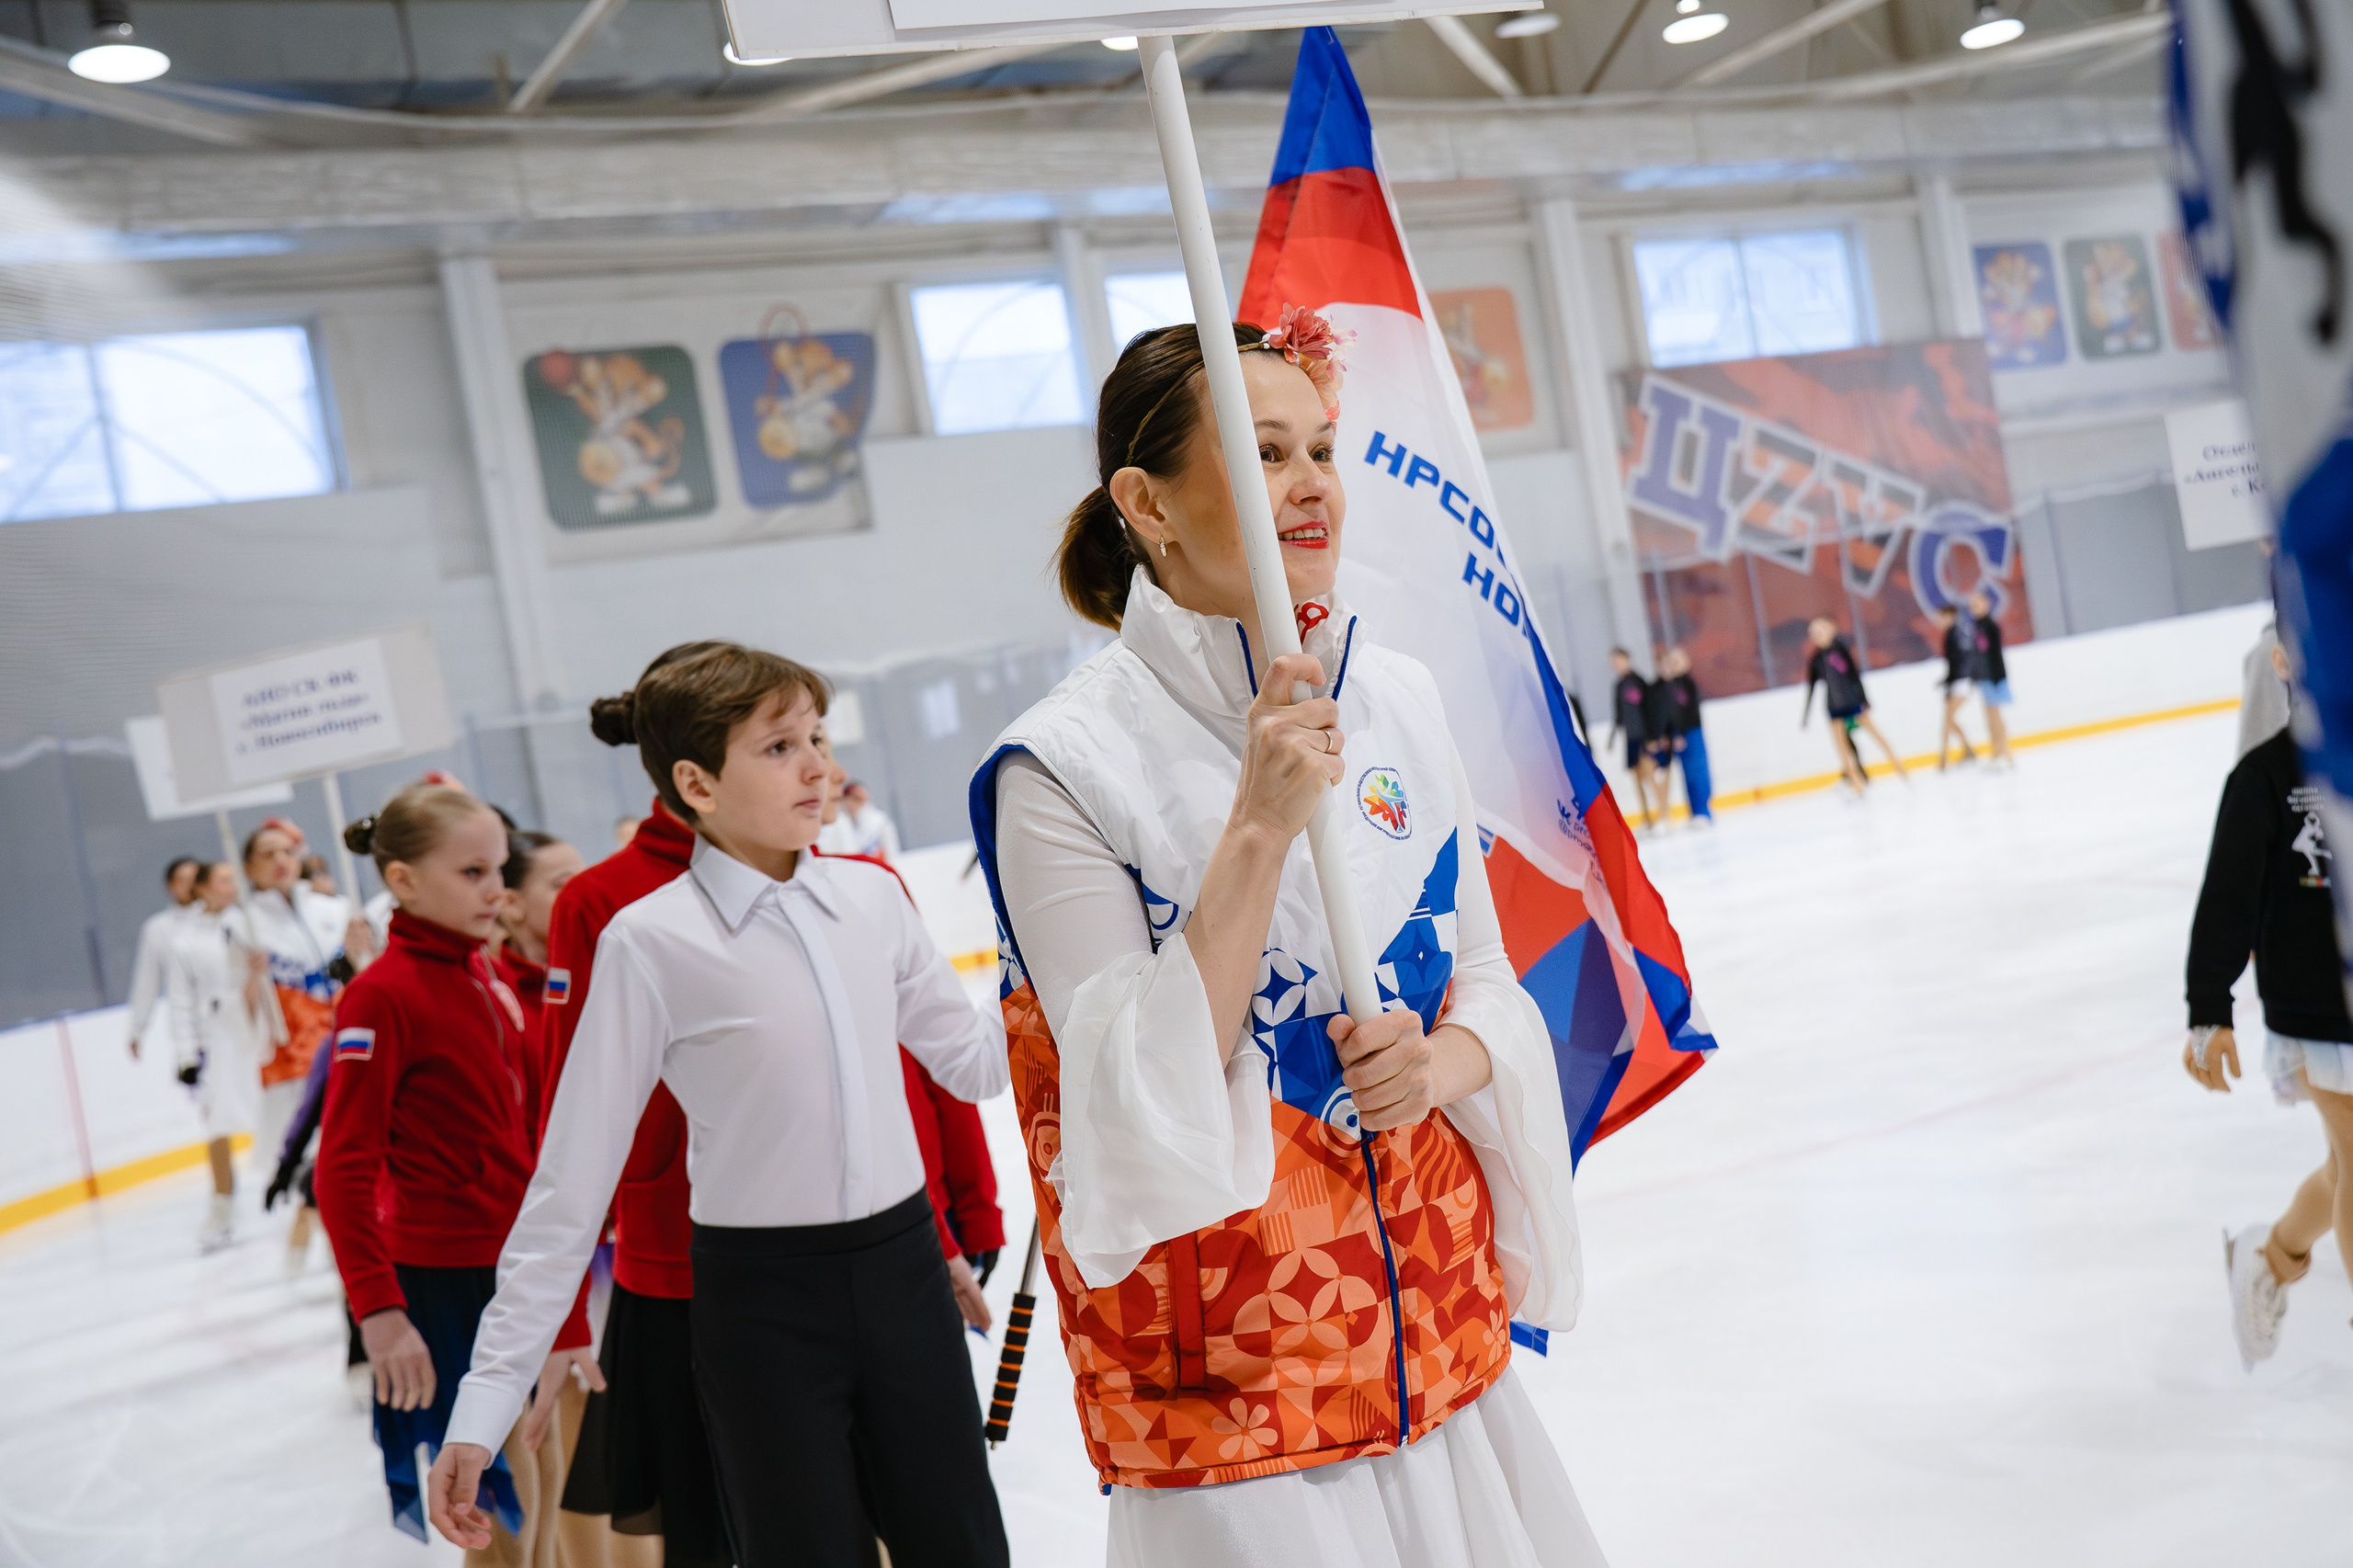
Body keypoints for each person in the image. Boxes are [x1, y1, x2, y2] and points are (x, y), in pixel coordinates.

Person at [972, 316, 1596, 1565]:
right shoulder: (1062, 767)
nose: (1312, 482)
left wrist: (1439, 1068)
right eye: (1265, 452)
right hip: (1237, 1413)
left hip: (1443, 1353)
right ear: (1144, 501)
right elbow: (1131, 1103)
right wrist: (1256, 826)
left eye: (1322, 446)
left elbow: (1481, 976)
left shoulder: (1397, 695)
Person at [429, 644, 1011, 1568]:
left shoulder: (872, 896)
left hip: (905, 1278)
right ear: (695, 781)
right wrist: (484, 1399)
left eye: (817, 734)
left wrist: (1052, 954)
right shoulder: (650, 941)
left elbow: (977, 1063)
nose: (821, 764)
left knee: (965, 1548)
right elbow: (571, 1185)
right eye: (780, 746)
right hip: (758, 1304)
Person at [313, 783, 604, 1558]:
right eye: (471, 873)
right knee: (499, 1527)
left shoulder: (489, 979)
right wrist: (378, 1311)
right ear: (402, 881)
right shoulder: (381, 997)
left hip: (516, 1276)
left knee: (538, 1519)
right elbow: (341, 1169)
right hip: (448, 1286)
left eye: (500, 870)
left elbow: (531, 1150)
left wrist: (562, 1298)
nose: (496, 892)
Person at [2184, 642, 2353, 1368]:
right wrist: (2209, 1009)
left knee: (2345, 1167)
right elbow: (2226, 898)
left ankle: (2273, 1258)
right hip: (2316, 1008)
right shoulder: (2265, 778)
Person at [165, 861, 268, 1251]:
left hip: (258, 1034)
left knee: (277, 1113)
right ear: (204, 889)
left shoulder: (253, 925)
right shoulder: (185, 941)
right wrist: (186, 1054)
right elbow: (181, 1002)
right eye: (223, 881)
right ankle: (222, 1206)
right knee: (218, 1126)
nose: (232, 887)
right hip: (218, 1041)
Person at [1802, 617, 1907, 794]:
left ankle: (1899, 769)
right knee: (1843, 750)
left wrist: (1864, 700)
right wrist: (1806, 715)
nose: (1818, 635)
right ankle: (1856, 783)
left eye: (1821, 630)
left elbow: (1854, 676)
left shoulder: (1841, 649)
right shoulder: (1816, 659)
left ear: (1831, 630)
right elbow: (1812, 687)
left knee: (1878, 737)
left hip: (1852, 702)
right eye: (1814, 633)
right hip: (1834, 707)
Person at [125, 856, 203, 1062]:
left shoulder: (223, 918)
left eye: (195, 878)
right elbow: (147, 980)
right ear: (170, 885)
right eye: (182, 879)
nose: (190, 885)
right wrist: (137, 1028)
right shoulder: (158, 929)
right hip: (189, 1023)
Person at [1653, 646, 1712, 824]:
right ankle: (1695, 811)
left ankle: (1703, 810)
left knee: (1697, 772)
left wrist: (1680, 733)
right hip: (1680, 735)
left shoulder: (1686, 684)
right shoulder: (1671, 686)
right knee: (1688, 774)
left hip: (1691, 733)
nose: (1673, 666)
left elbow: (1686, 712)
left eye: (1676, 662)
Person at [1607, 646, 1664, 829]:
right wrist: (1613, 737)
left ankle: (1663, 814)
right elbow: (1619, 715)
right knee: (1637, 778)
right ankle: (1647, 817)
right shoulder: (1618, 685)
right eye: (1614, 661)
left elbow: (1649, 709)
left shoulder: (1638, 681)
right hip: (1630, 736)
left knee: (1649, 774)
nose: (1616, 664)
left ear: (1627, 659)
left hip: (1643, 735)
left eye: (1619, 660)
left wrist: (1653, 736)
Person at [1960, 589, 2013, 768]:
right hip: (1984, 677)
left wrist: (1997, 677)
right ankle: (1997, 752)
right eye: (1972, 606)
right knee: (1990, 717)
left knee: (1996, 717)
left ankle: (2005, 753)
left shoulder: (1989, 626)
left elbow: (1994, 655)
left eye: (1977, 604)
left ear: (1986, 604)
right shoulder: (1978, 626)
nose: (1974, 608)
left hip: (1993, 676)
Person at [1928, 604, 1980, 770]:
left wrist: (1951, 680)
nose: (1938, 622)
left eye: (1941, 618)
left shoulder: (1955, 635)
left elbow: (1961, 661)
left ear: (1949, 617)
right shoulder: (1955, 634)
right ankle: (1968, 750)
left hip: (1961, 682)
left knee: (1947, 719)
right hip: (1959, 680)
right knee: (1950, 719)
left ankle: (1943, 758)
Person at [816, 779, 901, 861]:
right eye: (854, 799)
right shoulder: (839, 822)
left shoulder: (879, 821)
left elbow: (892, 852)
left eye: (862, 799)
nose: (856, 803)